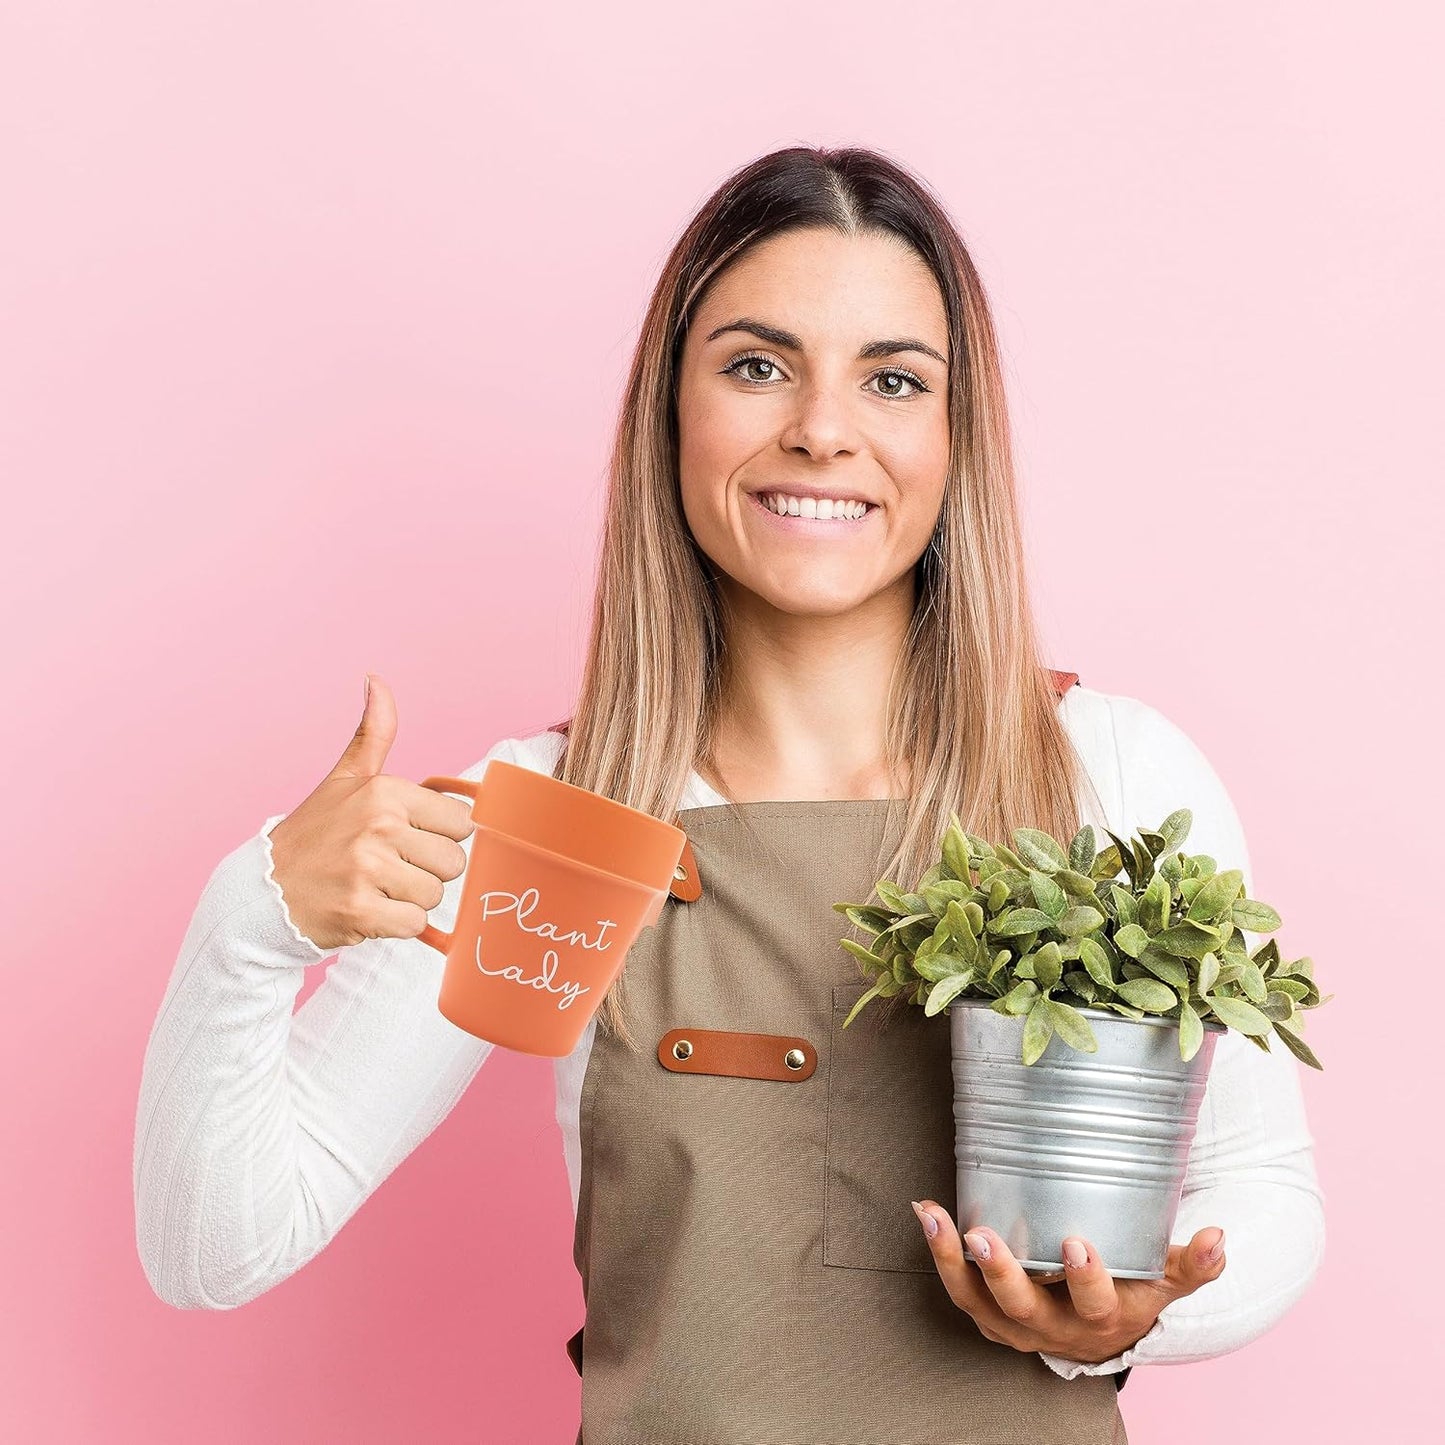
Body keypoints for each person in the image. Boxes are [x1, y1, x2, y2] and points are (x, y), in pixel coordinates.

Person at [133, 146, 1325, 1443]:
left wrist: (1136, 1312)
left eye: (891, 378)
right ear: (672, 413)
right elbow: (218, 1245)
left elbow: (1259, 1187)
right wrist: (255, 916)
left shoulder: (1109, 771)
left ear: (951, 436)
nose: (822, 425)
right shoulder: (553, 819)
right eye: (757, 366)